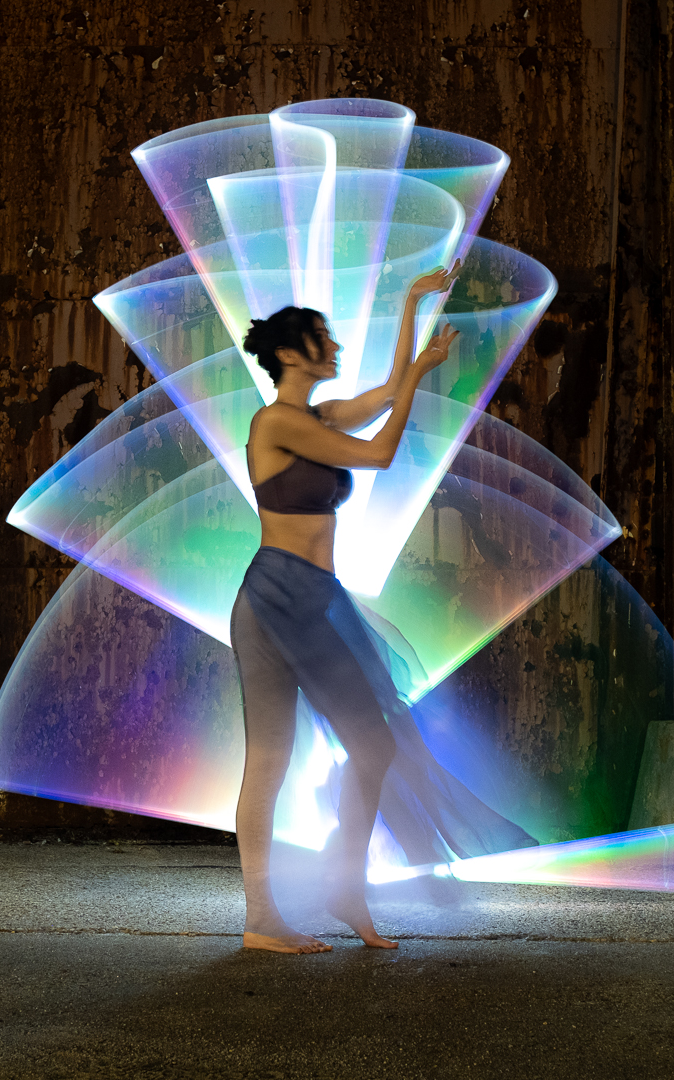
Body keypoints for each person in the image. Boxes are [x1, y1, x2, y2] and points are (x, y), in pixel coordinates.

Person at [231, 264, 461, 955]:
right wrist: (419, 373)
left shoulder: (316, 418)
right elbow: (383, 453)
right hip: (274, 598)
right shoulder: (277, 423)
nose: (332, 349)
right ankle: (263, 918)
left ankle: (343, 886)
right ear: (288, 355)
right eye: (322, 340)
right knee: (269, 759)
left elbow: (388, 395)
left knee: (375, 743)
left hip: (315, 600)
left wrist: (409, 306)